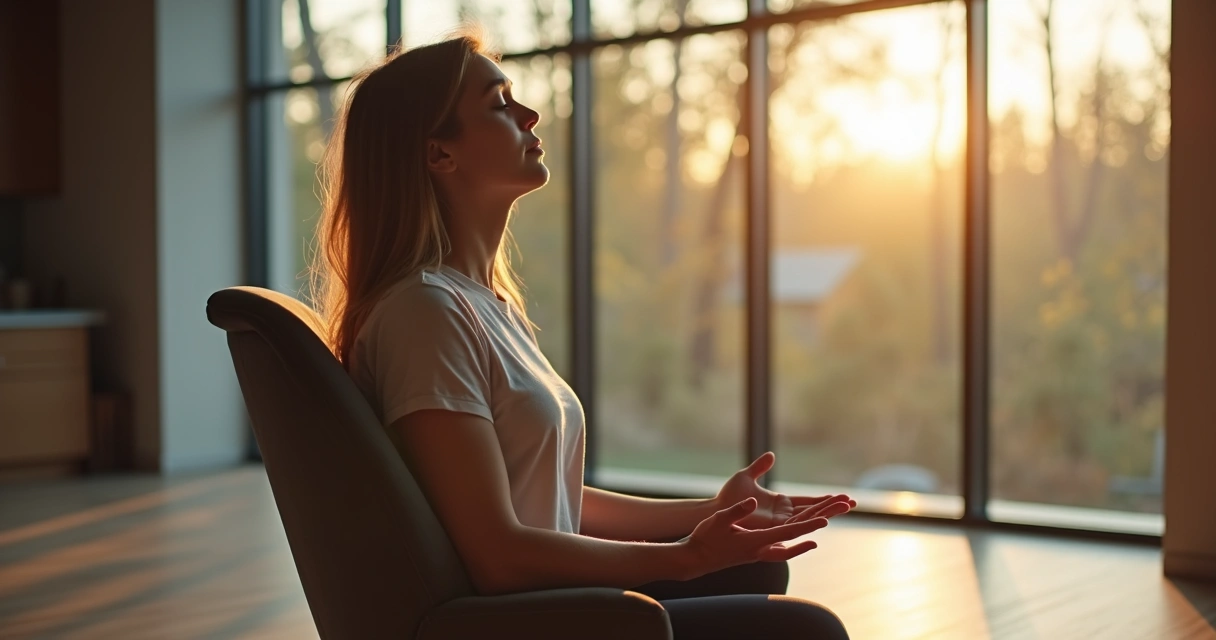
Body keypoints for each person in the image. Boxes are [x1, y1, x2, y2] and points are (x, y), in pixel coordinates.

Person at [308, 26, 855, 639]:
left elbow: (558, 500)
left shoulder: (487, 304)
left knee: (755, 577)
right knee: (809, 632)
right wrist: (683, 556)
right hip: (523, 618)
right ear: (440, 154)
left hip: (553, 593)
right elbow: (499, 555)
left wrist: (716, 514)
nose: (530, 112)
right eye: (498, 103)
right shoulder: (424, 314)